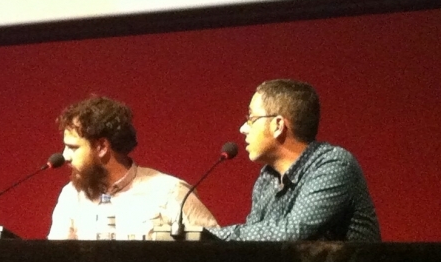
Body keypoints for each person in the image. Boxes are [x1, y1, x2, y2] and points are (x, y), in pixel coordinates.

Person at [208, 79, 380, 241]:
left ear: (278, 125)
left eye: (251, 119)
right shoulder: (267, 179)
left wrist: (207, 235)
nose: (243, 128)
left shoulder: (334, 165)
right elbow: (253, 242)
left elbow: (293, 231)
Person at [48, 96, 217, 240]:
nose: (65, 156)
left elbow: (216, 251)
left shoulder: (170, 192)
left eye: (73, 147)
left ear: (102, 147)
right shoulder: (72, 196)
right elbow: (56, 261)